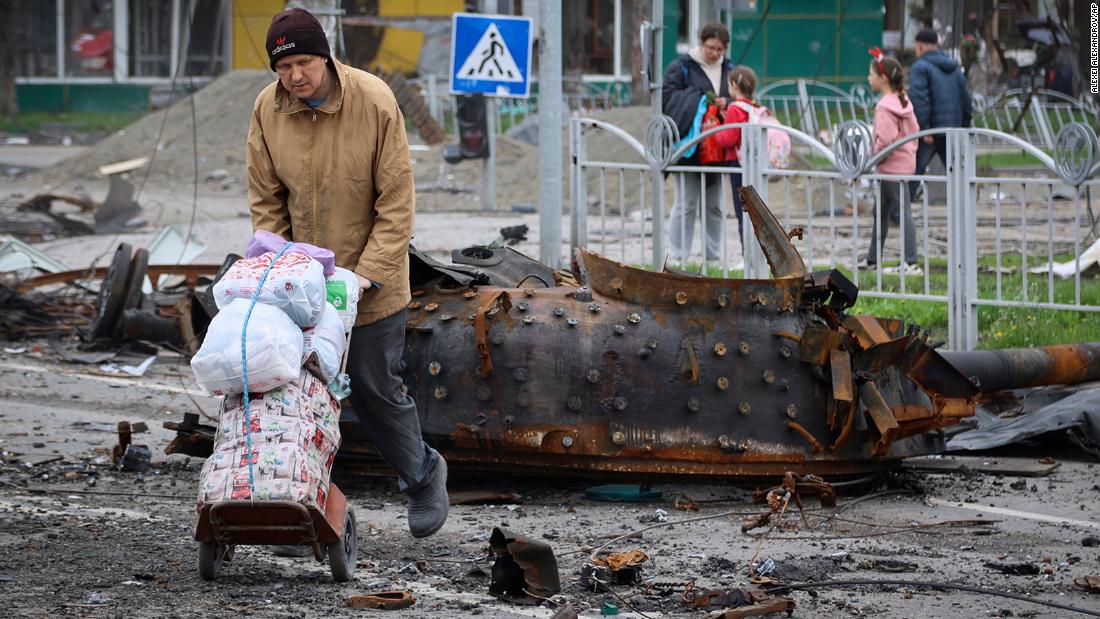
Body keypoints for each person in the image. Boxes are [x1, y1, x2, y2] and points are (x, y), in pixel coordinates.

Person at [247, 8, 449, 541]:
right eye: (284, 67)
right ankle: (305, 508)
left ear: (327, 56)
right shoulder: (268, 110)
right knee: (295, 393)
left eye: (305, 62)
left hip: (369, 284)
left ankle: (424, 475)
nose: (295, 76)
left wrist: (367, 274)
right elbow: (267, 200)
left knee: (375, 389)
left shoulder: (375, 99)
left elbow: (397, 203)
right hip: (299, 286)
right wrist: (277, 265)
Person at [662, 22, 732, 264]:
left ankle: (712, 259)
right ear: (701, 43)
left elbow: (739, 97)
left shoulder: (729, 69)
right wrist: (703, 100)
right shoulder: (680, 67)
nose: (714, 54)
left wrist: (727, 103)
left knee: (715, 206)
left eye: (719, 50)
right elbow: (669, 101)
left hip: (717, 148)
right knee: (687, 203)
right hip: (689, 147)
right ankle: (678, 258)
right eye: (711, 47)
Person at [866, 53, 921, 273]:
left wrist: (872, 154)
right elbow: (914, 130)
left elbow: (886, 140)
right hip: (902, 164)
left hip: (889, 167)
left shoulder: (884, 107)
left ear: (883, 78)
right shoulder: (903, 100)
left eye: (871, 74)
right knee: (880, 211)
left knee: (901, 211)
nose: (868, 78)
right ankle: (872, 258)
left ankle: (910, 259)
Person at [907, 28, 972, 202]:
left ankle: (898, 213)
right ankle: (965, 207)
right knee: (958, 172)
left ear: (920, 45)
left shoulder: (920, 67)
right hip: (952, 131)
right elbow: (966, 99)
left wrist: (924, 128)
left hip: (931, 132)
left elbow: (919, 99)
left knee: (914, 171)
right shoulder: (954, 67)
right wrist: (964, 126)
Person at [712, 65, 759, 247]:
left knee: (742, 211)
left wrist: (716, 130)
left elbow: (729, 139)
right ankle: (755, 253)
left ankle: (746, 254)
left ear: (733, 85)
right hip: (754, 163)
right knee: (756, 211)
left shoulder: (734, 108)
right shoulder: (754, 106)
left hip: (737, 163)